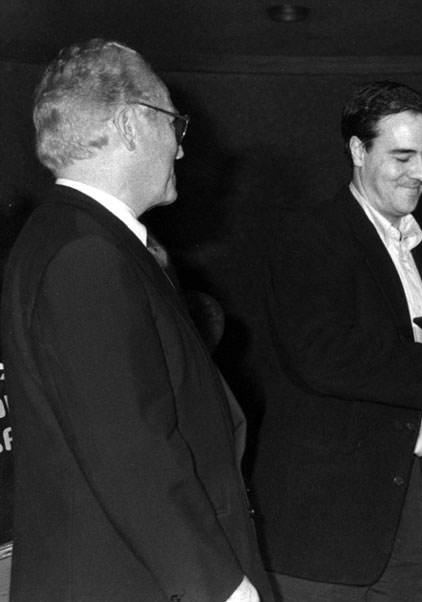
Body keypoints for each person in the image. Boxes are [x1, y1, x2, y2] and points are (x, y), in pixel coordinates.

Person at [1, 39, 272, 602]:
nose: (179, 147)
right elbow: (131, 452)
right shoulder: (87, 256)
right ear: (130, 125)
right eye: (174, 122)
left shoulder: (69, 237)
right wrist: (222, 587)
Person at [250, 80, 422, 602]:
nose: (421, 173)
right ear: (358, 151)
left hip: (410, 507)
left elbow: (421, 383)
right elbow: (325, 356)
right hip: (323, 525)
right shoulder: (309, 235)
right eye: (402, 157)